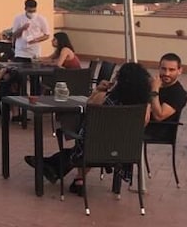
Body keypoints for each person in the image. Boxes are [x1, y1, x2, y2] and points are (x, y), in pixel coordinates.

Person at [26, 62, 153, 195]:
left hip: (93, 149)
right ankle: (72, 177)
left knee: (85, 139)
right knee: (95, 142)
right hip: (122, 153)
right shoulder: (142, 108)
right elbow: (144, 122)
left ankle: (50, 165)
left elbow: (89, 106)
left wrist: (99, 90)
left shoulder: (106, 99)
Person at [11, 0, 50, 95]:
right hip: (21, 51)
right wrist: (22, 28)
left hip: (34, 52)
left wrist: (36, 40)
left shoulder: (41, 19)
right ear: (25, 8)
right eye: (30, 11)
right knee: (20, 76)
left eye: (33, 11)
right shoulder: (18, 18)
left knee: (35, 78)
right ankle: (21, 96)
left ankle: (34, 97)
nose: (32, 13)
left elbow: (47, 35)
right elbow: (14, 34)